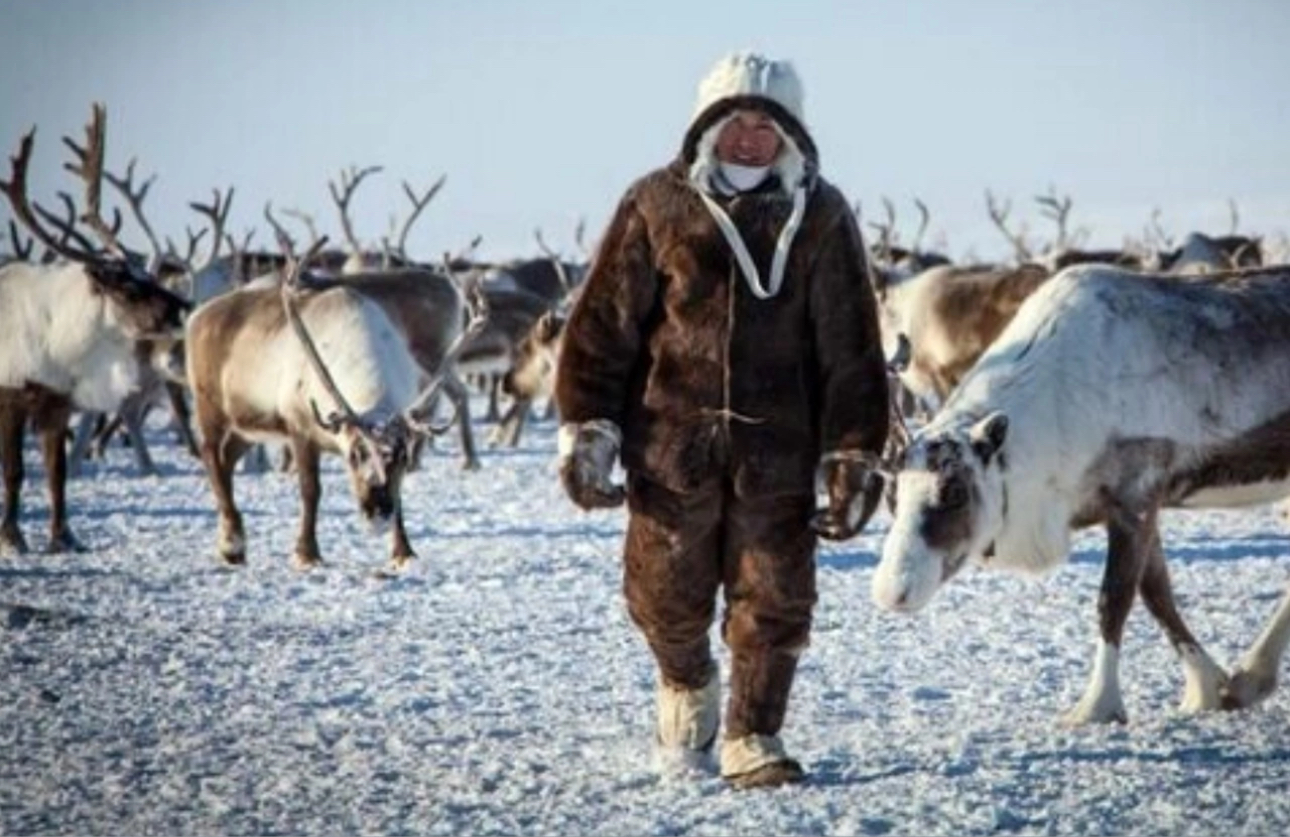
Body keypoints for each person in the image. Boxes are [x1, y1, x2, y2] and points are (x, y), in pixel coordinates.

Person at [554, 50, 890, 789]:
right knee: (663, 594)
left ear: (791, 136)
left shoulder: (823, 214)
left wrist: (856, 451)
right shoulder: (656, 204)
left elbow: (851, 344)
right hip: (670, 447)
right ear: (707, 126)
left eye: (765, 125)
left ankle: (753, 734)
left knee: (775, 597)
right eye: (735, 122)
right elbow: (605, 323)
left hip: (780, 453)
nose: (749, 138)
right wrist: (588, 426)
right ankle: (685, 680)